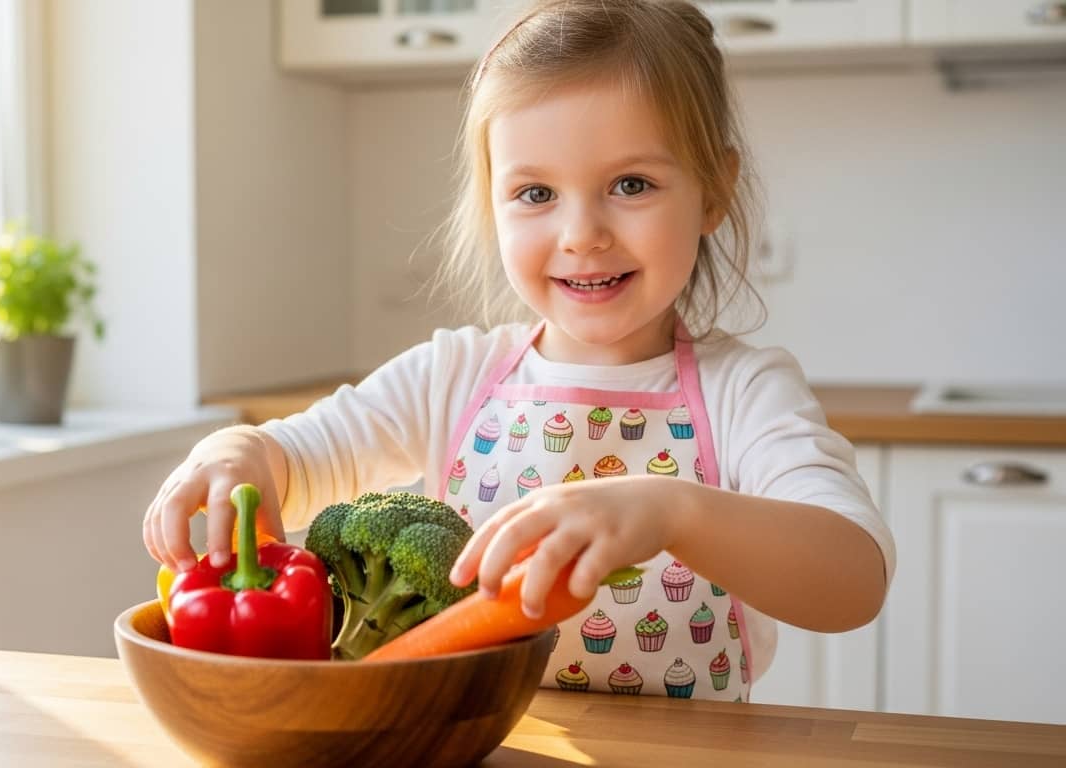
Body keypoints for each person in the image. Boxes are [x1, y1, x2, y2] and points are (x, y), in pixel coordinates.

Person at [142, 0, 893, 700]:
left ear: (714, 191)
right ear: (493, 201)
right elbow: (294, 457)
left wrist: (674, 512)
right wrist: (237, 453)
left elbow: (854, 578)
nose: (581, 234)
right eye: (536, 193)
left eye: (631, 183)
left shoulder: (745, 392)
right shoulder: (451, 376)